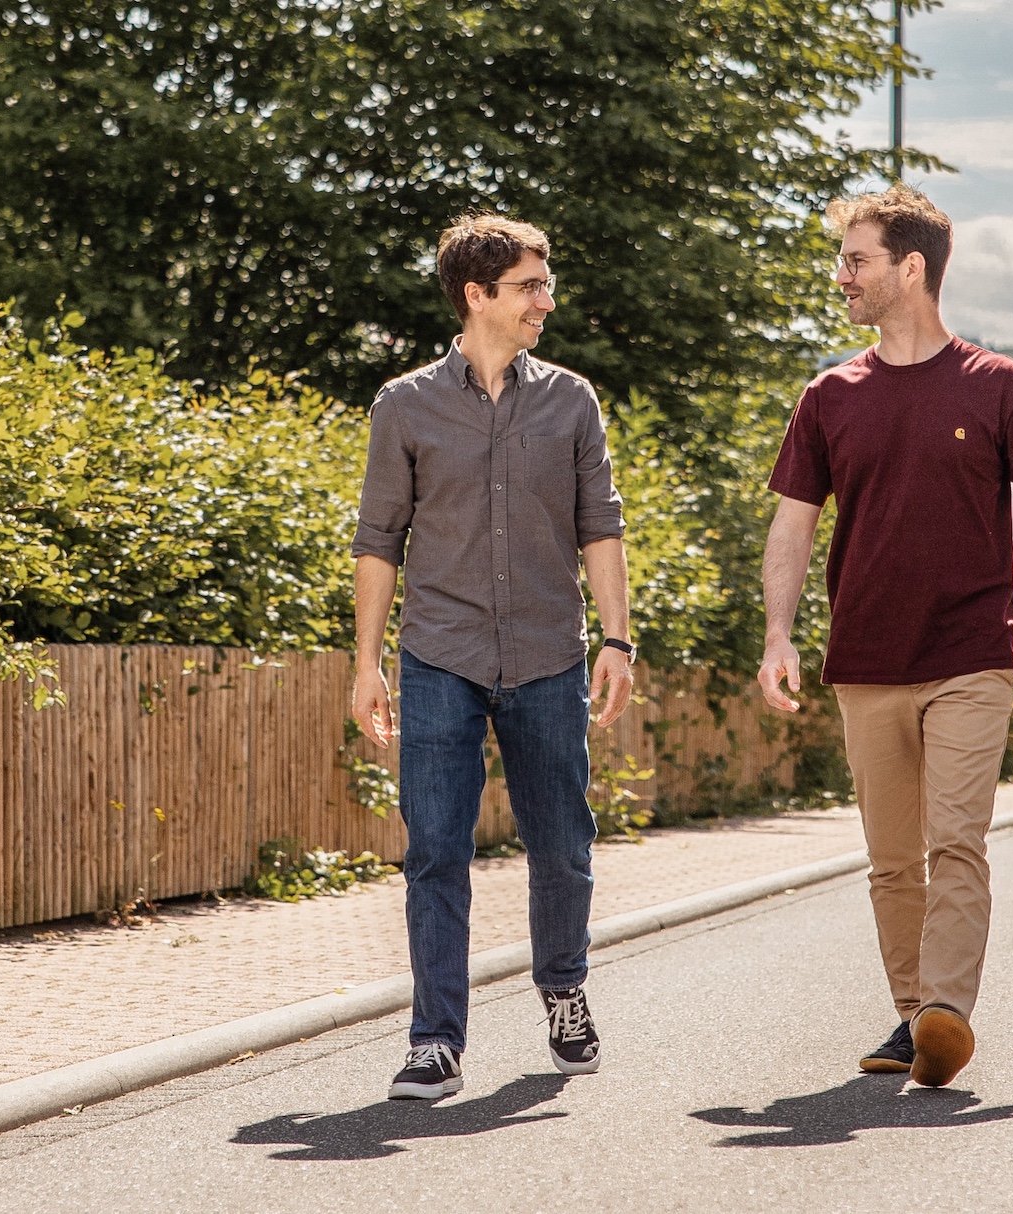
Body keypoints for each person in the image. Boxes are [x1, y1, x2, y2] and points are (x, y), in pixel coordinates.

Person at [757, 185, 1013, 1089]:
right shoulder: (829, 396)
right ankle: (915, 1016)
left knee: (957, 840)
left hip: (971, 655)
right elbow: (792, 526)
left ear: (913, 268)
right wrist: (777, 634)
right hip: (865, 659)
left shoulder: (999, 386)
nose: (842, 278)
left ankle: (947, 1008)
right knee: (890, 859)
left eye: (856, 261)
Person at [351, 213, 635, 1100]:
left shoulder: (572, 400)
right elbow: (377, 538)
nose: (545, 302)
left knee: (563, 844)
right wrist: (367, 664)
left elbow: (603, 525)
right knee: (435, 848)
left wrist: (620, 637)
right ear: (478, 296)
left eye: (544, 286)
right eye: (530, 287)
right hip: (440, 654)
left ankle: (564, 992)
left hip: (550, 653)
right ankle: (436, 1039)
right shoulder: (405, 405)